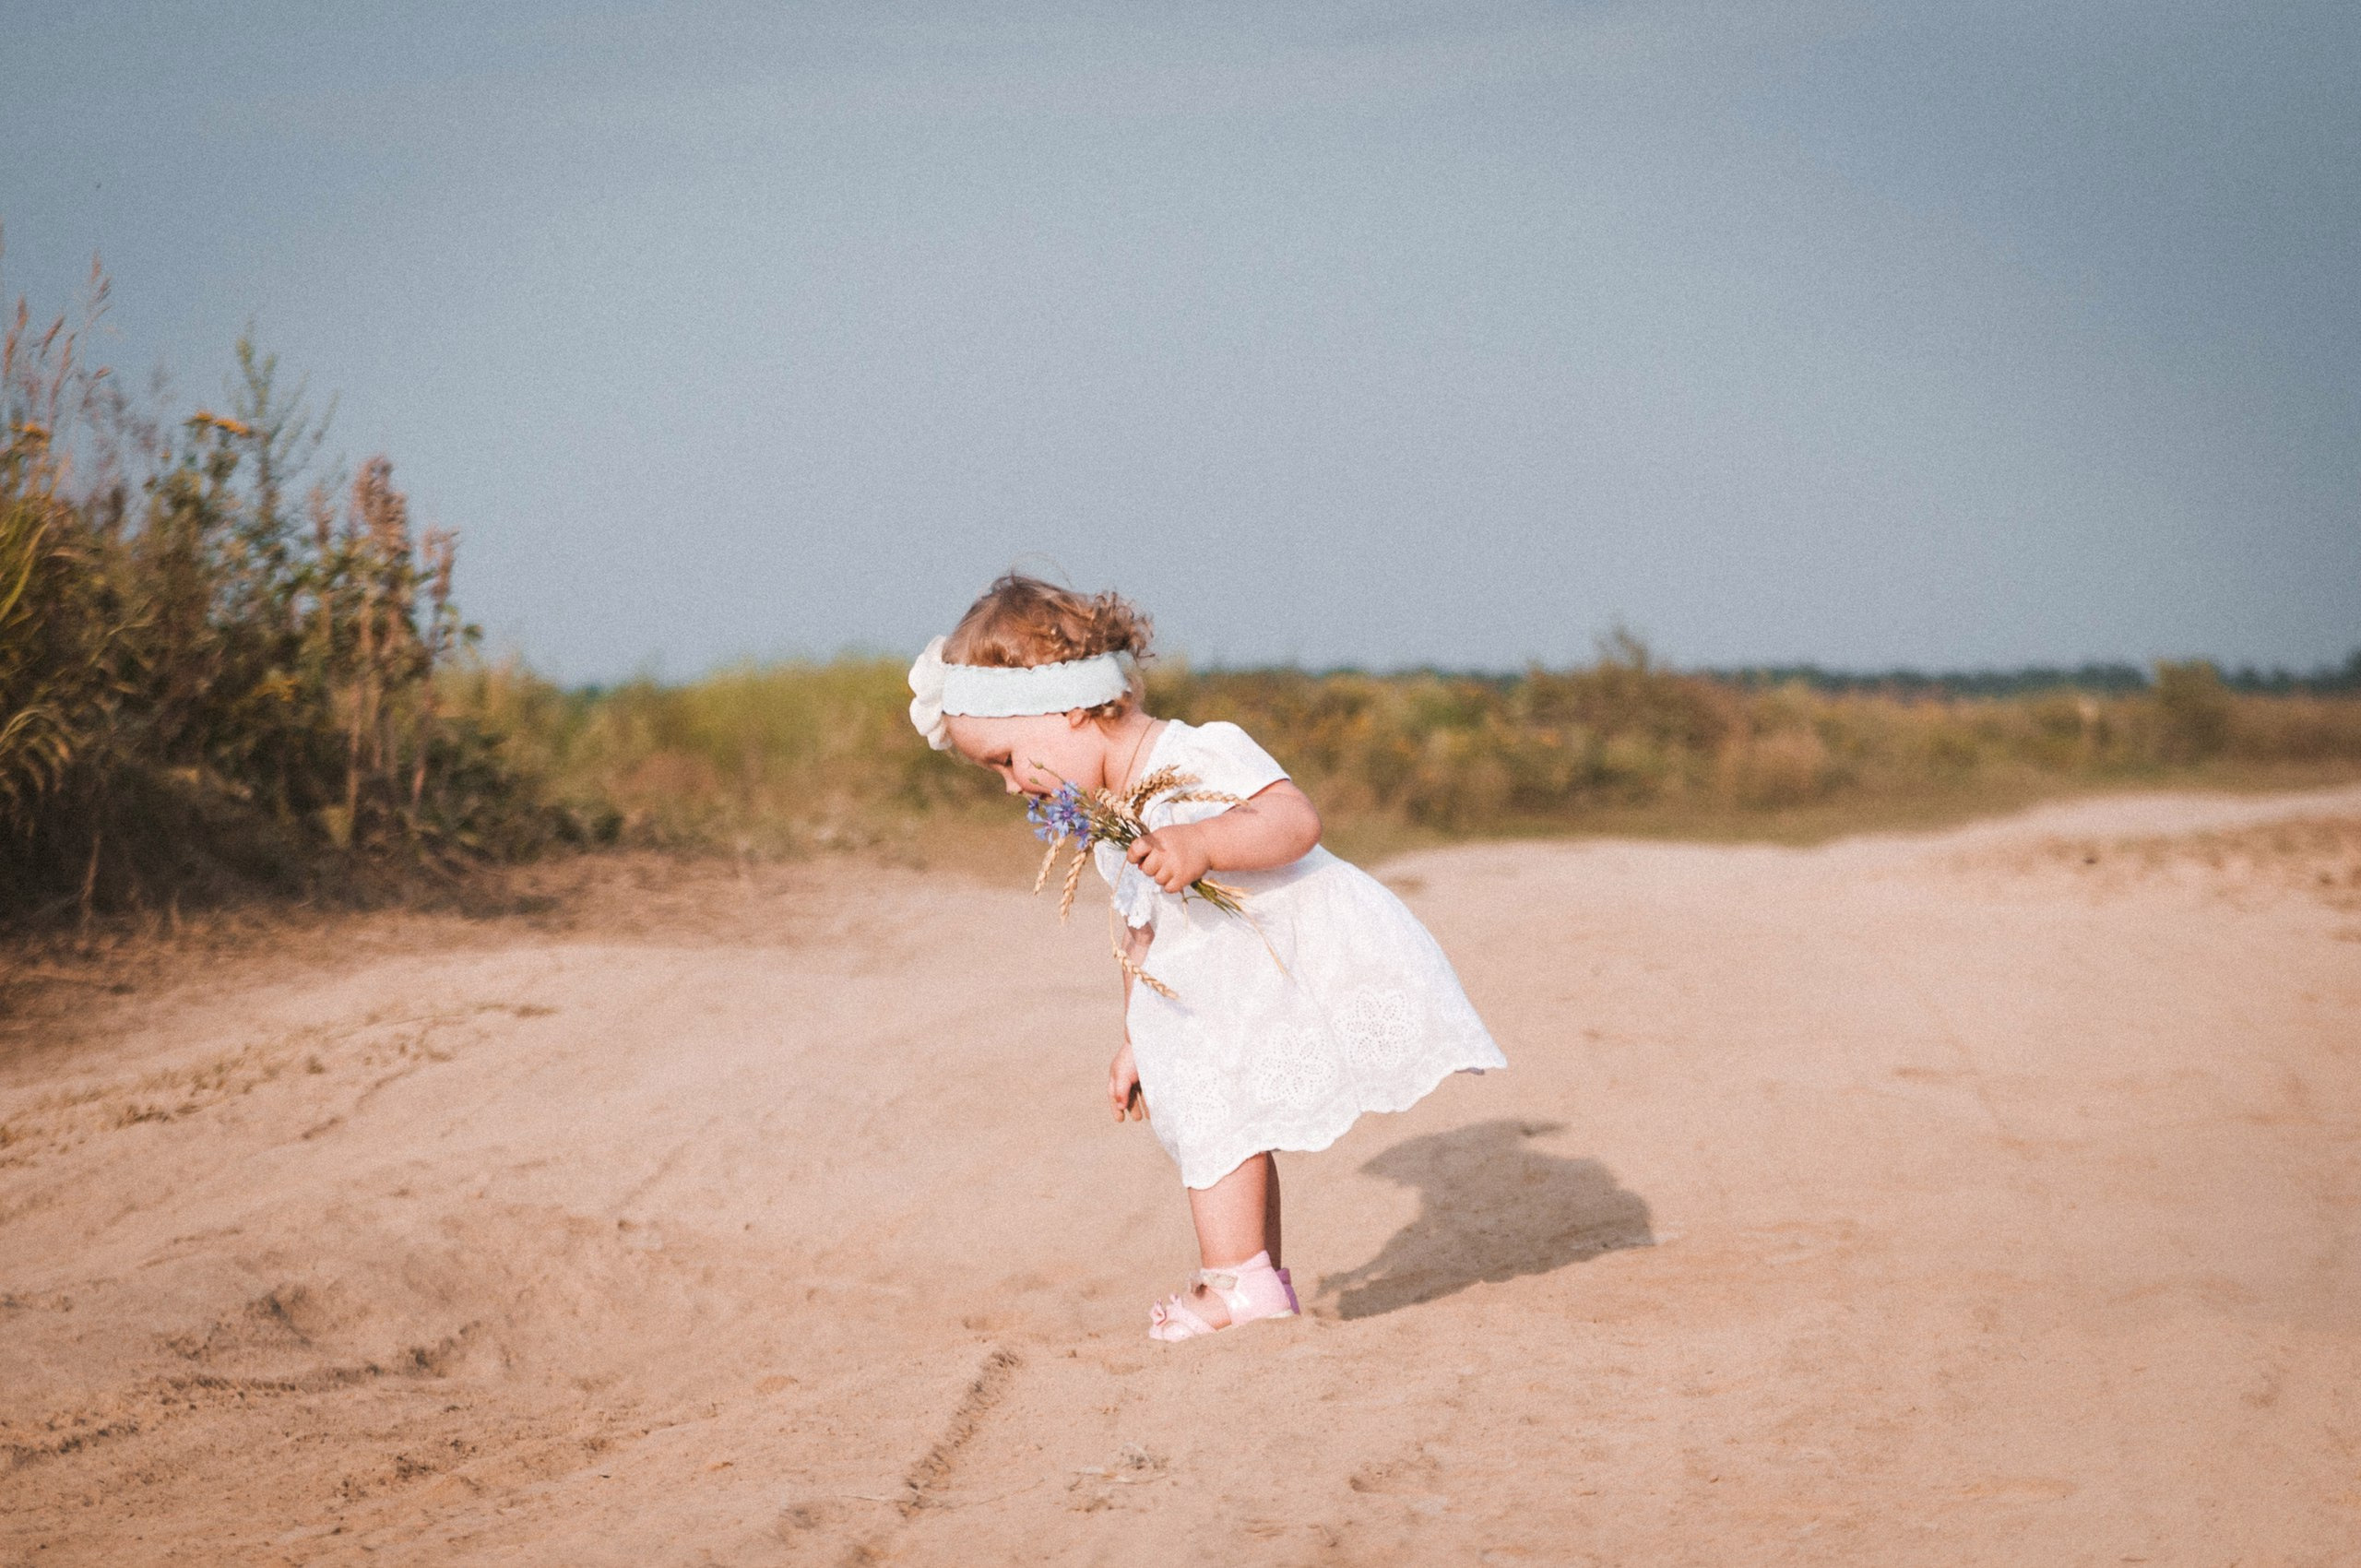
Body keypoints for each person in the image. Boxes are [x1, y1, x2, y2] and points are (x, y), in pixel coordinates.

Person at [908, 573, 1506, 1341]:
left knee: (1213, 1107)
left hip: (1274, 958)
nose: (1009, 785)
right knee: (1215, 1110)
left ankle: (1235, 1283)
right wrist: (1135, 1037)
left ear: (1070, 707)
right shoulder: (1111, 814)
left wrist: (1202, 840)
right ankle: (1256, 1279)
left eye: (1008, 758)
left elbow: (1294, 820)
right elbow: (1142, 936)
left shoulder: (1195, 754)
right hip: (1208, 987)